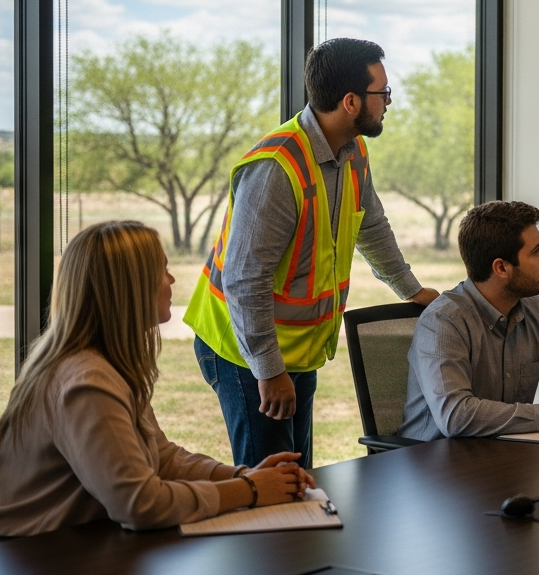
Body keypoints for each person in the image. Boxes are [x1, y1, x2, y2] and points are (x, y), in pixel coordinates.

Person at [0, 221, 316, 536]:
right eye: (162, 270)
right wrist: (250, 492)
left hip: (62, 547)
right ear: (131, 289)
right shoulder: (85, 382)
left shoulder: (107, 363)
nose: (171, 280)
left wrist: (242, 476)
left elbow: (162, 457)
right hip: (22, 557)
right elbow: (140, 504)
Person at [185, 38, 439, 469]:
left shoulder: (353, 151)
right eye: (383, 92)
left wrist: (410, 290)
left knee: (296, 476)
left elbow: (371, 227)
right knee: (273, 483)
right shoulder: (277, 167)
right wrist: (269, 370)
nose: (389, 102)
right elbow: (245, 279)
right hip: (241, 349)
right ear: (351, 102)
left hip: (296, 351)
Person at [399, 201, 539, 441]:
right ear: (501, 268)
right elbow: (456, 416)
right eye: (536, 251)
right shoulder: (443, 322)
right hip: (436, 458)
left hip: (504, 452)